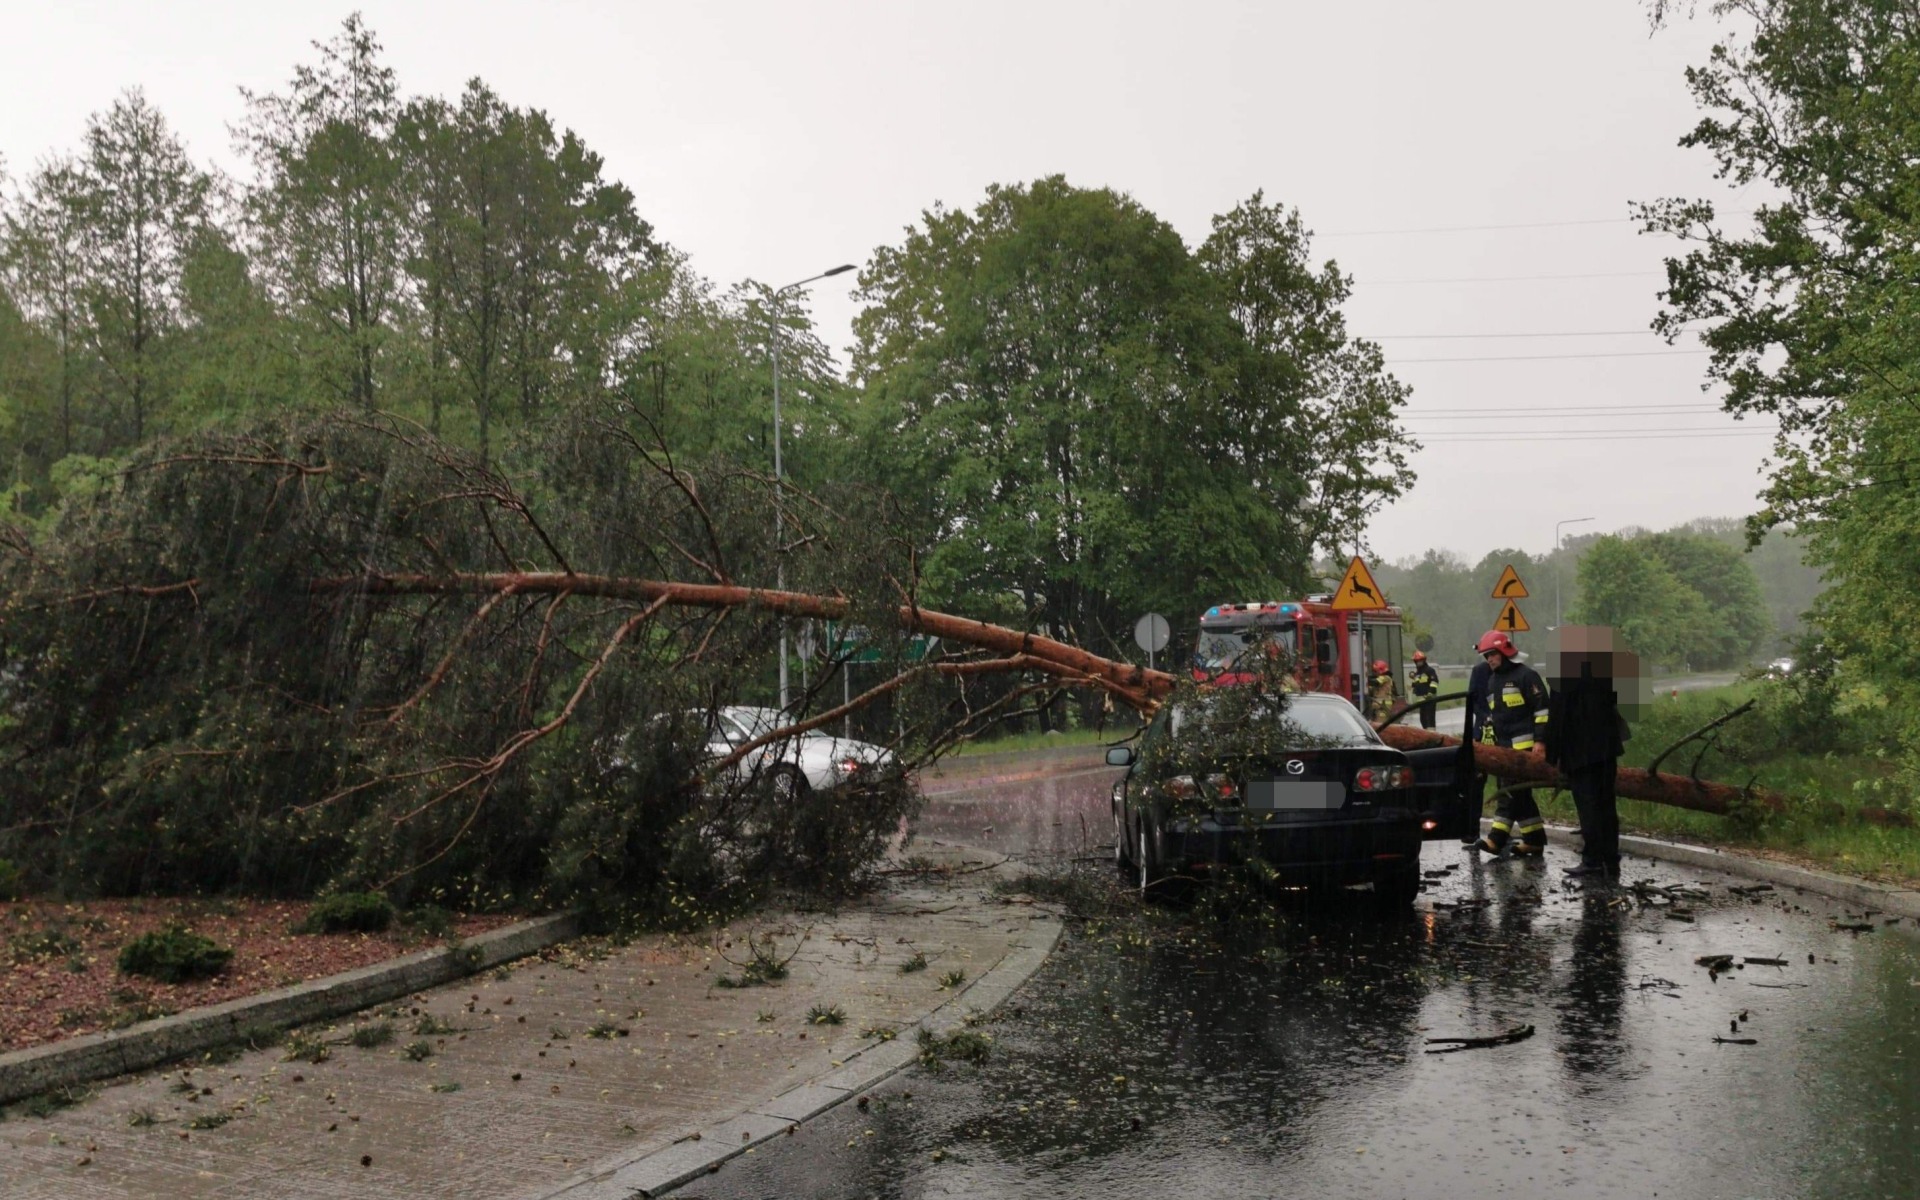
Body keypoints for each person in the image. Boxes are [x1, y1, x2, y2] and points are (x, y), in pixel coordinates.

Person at [1544, 628, 1631, 881]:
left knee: (1588, 806)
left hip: (1579, 751)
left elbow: (1557, 715)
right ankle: (1610, 857)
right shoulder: (1604, 670)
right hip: (1607, 749)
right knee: (1606, 803)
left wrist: (1553, 754)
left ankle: (1592, 860)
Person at [1471, 629, 1551, 857]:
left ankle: (1496, 839)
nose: (1489, 660)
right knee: (1520, 794)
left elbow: (1543, 710)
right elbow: (1493, 716)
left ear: (1504, 652)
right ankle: (1534, 840)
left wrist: (1540, 742)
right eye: (1486, 657)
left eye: (1492, 655)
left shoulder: (1527, 676)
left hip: (1524, 749)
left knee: (1509, 792)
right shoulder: (1492, 681)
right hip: (1503, 748)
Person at [1408, 650, 1440, 730]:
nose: (1418, 662)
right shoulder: (1418, 673)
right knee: (1423, 720)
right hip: (1421, 701)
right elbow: (1416, 684)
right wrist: (1411, 686)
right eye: (1417, 661)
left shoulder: (1429, 670)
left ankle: (1432, 736)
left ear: (1424, 660)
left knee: (1430, 719)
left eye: (1420, 660)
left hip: (1429, 699)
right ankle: (1426, 735)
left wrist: (1430, 692)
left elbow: (1434, 682)